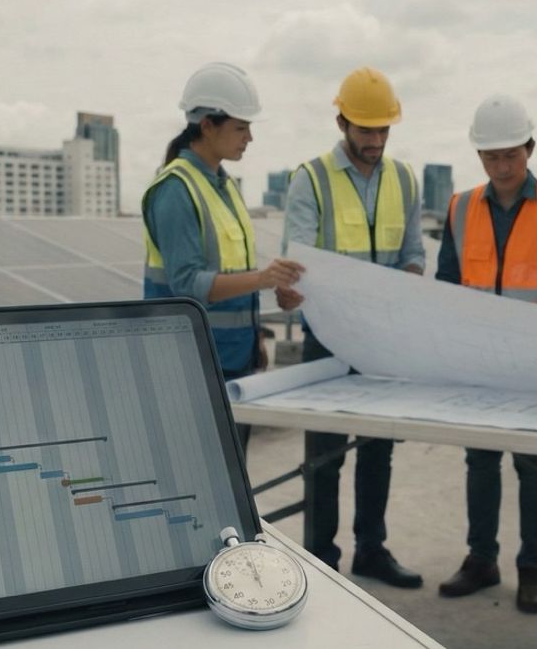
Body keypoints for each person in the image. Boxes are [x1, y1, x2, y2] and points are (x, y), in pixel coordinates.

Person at [434, 94, 537, 614]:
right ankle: (482, 559)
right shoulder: (459, 207)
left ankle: (532, 567)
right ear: (480, 157)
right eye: (492, 157)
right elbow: (447, 286)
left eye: (511, 156)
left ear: (530, 149)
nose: (502, 167)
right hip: (478, 360)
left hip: (534, 362)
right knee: (479, 461)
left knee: (533, 466)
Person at [277, 66, 425, 588]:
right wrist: (293, 288)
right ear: (342, 122)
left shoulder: (405, 179)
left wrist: (406, 282)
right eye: (366, 130)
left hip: (383, 339)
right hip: (328, 335)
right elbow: (298, 258)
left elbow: (412, 254)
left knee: (377, 448)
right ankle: (320, 558)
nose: (375, 141)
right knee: (325, 452)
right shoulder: (310, 179)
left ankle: (371, 549)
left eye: (383, 130)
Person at [141, 62, 304, 450]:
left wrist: (255, 338)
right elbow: (188, 284)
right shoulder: (176, 190)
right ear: (207, 125)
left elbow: (233, 274)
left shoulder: (223, 185)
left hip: (233, 359)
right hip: (190, 365)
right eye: (240, 127)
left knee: (232, 485)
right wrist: (264, 279)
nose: (249, 138)